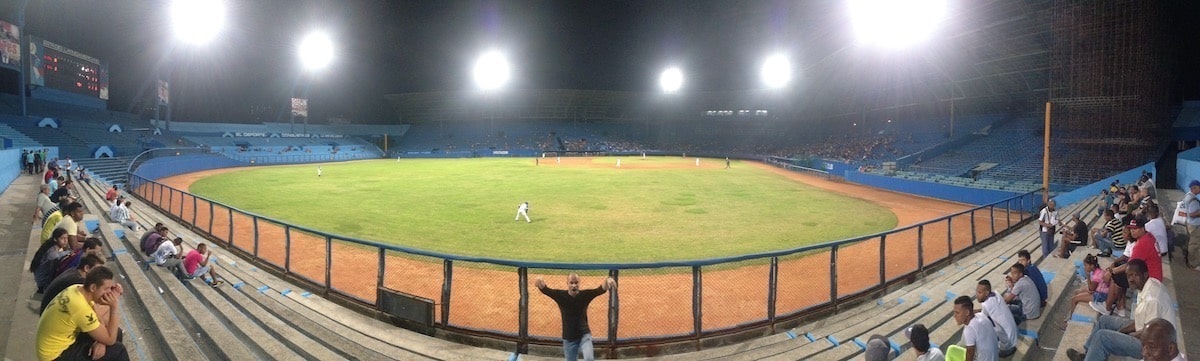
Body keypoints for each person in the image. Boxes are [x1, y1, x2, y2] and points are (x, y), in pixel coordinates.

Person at [1066, 259, 1177, 361]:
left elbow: (1149, 335)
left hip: (1152, 347)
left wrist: (1123, 335)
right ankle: (1089, 355)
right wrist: (1120, 332)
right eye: (1129, 276)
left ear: (1145, 274)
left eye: (1135, 275)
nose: (1131, 279)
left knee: (1102, 337)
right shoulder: (1147, 285)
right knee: (1104, 320)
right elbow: (1141, 322)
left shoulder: (1153, 299)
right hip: (1144, 330)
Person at [35, 265, 128, 361]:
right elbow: (110, 340)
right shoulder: (80, 308)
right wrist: (114, 306)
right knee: (118, 350)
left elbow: (97, 315)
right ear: (93, 287)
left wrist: (101, 341)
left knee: (117, 332)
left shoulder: (77, 289)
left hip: (57, 343)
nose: (109, 292)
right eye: (106, 289)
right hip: (55, 356)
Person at [535, 274, 615, 361]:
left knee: (589, 359)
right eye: (571, 283)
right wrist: (540, 280)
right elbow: (546, 290)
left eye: (576, 283)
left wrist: (607, 280)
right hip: (569, 338)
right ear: (567, 284)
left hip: (584, 336)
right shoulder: (561, 295)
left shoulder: (585, 295)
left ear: (579, 283)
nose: (574, 285)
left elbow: (599, 290)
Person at [40, 254, 105, 314]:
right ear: (87, 268)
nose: (100, 275)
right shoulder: (79, 282)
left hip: (47, 311)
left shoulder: (73, 271)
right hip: (50, 315)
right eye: (97, 270)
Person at [974, 280, 1017, 357]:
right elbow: (987, 311)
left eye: (979, 292)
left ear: (986, 293)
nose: (977, 295)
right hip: (1013, 334)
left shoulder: (986, 304)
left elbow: (982, 318)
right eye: (976, 292)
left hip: (1008, 345)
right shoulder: (996, 293)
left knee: (981, 332)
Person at [1066, 255, 1107, 328]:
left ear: (1091, 265)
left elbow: (1091, 289)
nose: (1084, 267)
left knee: (1074, 299)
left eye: (1085, 265)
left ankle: (1070, 320)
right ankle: (1072, 312)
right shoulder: (1096, 271)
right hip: (1097, 291)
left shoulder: (1097, 275)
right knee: (1077, 292)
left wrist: (1088, 276)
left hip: (1101, 295)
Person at [953, 295, 998, 361]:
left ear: (967, 312)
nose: (954, 316)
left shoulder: (969, 329)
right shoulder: (981, 315)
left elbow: (970, 352)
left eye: (957, 312)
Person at [1184, 180, 1200, 271]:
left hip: (1190, 223)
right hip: (1195, 225)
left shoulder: (1187, 196)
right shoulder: (1193, 200)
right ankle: (1193, 264)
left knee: (1192, 243)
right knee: (1194, 244)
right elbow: (1192, 214)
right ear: (1194, 188)